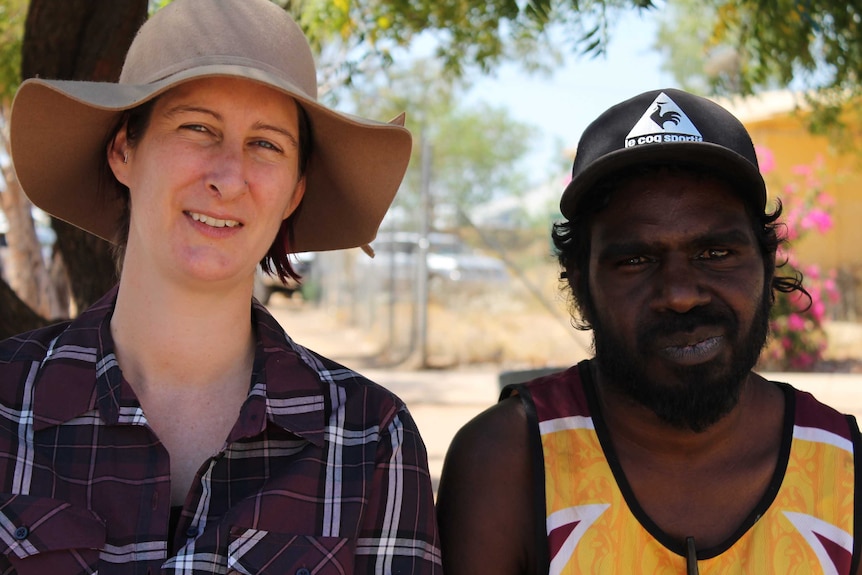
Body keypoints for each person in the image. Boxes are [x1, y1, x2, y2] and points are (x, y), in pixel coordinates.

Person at [0, 0, 440, 573]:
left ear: (296, 191)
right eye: (197, 127)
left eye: (266, 144)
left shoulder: (371, 440)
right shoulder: (8, 401)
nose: (229, 177)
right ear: (123, 151)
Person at [436, 88, 861, 574]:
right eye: (635, 261)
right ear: (579, 283)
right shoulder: (509, 460)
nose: (680, 294)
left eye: (716, 253)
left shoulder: (841, 463)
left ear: (766, 265)